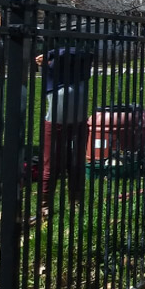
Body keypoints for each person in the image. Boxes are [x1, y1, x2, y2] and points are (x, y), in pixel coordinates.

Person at [35, 47, 95, 210]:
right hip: (55, 125)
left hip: (78, 124)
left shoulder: (81, 76)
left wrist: (50, 54)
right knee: (51, 165)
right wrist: (48, 57)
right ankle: (45, 205)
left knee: (76, 163)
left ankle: (76, 201)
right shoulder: (50, 75)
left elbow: (86, 53)